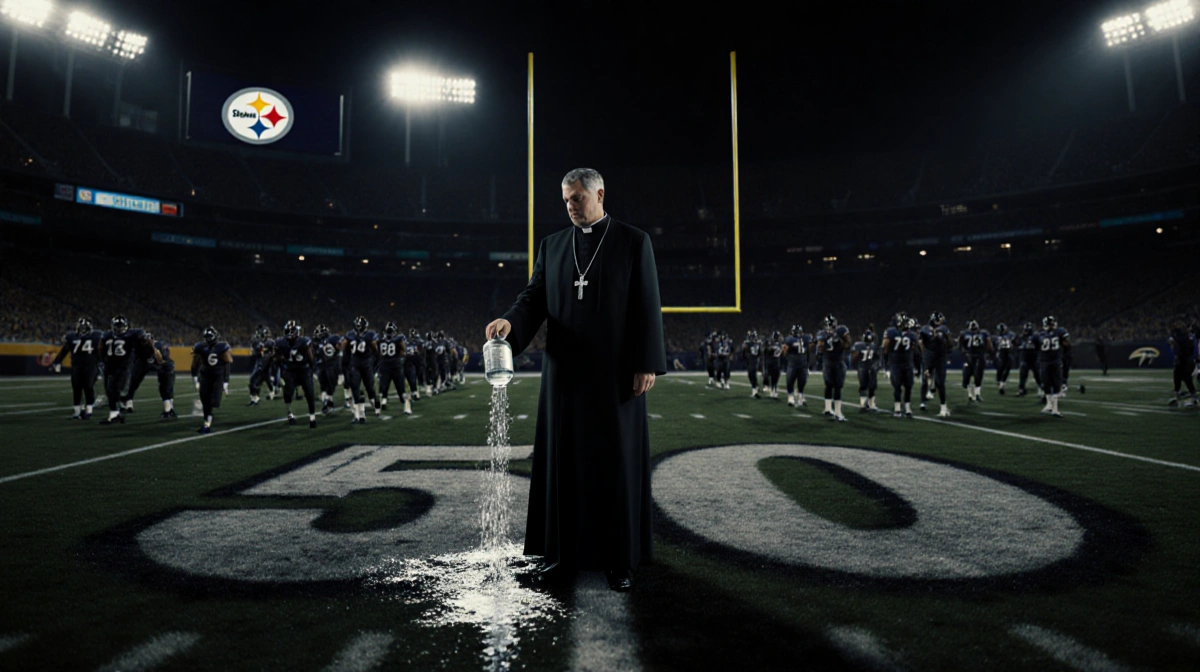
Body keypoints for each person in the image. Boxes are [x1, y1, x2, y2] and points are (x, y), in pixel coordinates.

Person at [484, 167, 666, 593]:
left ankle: (619, 559)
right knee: (563, 466)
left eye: (578, 198)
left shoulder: (633, 241)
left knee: (615, 465)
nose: (571, 206)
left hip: (617, 375)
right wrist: (511, 323)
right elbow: (533, 298)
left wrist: (647, 363)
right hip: (564, 374)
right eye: (566, 200)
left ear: (600, 194)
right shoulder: (553, 246)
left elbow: (647, 305)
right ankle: (562, 555)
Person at [53, 317, 102, 420]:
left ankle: (89, 410)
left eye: (84, 328)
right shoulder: (72, 337)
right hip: (77, 366)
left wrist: (102, 362)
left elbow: (101, 351)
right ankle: (77, 411)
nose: (82, 330)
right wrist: (57, 361)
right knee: (76, 388)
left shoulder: (96, 336)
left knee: (88, 386)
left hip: (91, 365)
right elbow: (65, 350)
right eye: (81, 328)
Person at [190, 326, 232, 434]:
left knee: (214, 401)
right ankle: (207, 424)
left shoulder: (222, 347)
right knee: (205, 400)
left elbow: (227, 363)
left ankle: (208, 418)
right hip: (205, 375)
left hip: (218, 376)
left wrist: (225, 381)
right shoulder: (200, 347)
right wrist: (195, 378)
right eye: (207, 336)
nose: (208, 339)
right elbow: (195, 363)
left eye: (210, 336)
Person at [817, 314, 851, 421]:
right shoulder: (841, 330)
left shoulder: (822, 333)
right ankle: (837, 412)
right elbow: (847, 344)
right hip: (837, 361)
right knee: (837, 386)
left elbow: (820, 347)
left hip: (828, 361)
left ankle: (828, 409)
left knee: (829, 385)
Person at [851, 328, 881, 412]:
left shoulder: (859, 345)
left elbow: (854, 357)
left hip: (862, 367)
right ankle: (871, 405)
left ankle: (863, 405)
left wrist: (855, 365)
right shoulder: (873, 346)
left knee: (864, 387)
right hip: (870, 367)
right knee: (872, 387)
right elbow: (877, 357)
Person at [783, 324, 811, 407]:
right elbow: (810, 349)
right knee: (798, 381)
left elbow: (784, 351)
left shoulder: (789, 339)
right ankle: (798, 397)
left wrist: (788, 357)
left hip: (796, 362)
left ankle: (793, 397)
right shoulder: (806, 337)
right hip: (800, 362)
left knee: (794, 380)